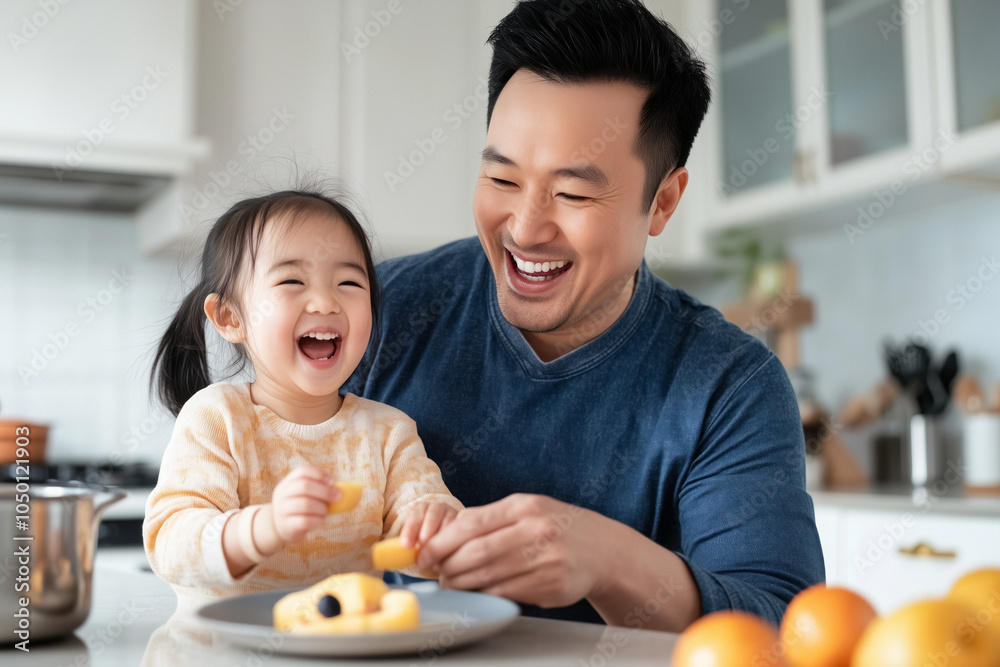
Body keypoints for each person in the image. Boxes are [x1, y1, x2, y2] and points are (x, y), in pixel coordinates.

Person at [344, 0, 825, 631]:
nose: (524, 228)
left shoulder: (728, 386)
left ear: (663, 203)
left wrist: (610, 560)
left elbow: (784, 630)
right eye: (502, 179)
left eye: (572, 193)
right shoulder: (377, 315)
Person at [143, 191, 463, 610]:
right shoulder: (217, 418)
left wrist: (437, 532)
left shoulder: (389, 432)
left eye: (349, 282)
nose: (326, 301)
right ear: (230, 318)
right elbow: (170, 543)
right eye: (292, 281)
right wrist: (263, 527)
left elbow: (424, 524)